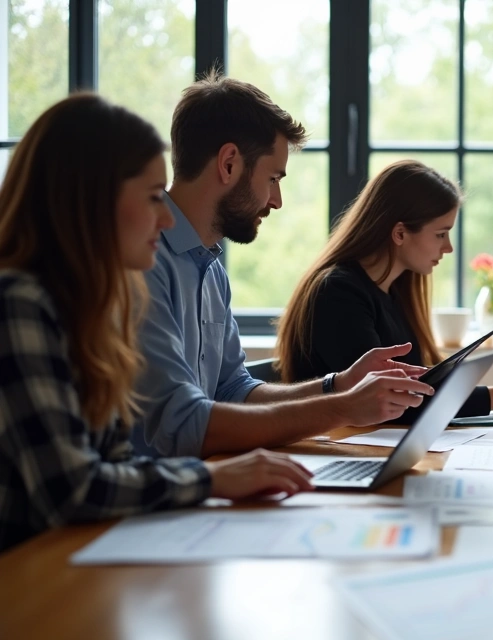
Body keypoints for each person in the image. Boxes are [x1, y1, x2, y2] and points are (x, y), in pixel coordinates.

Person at [0, 95, 314, 553]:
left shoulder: (92, 308)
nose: (166, 217)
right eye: (152, 197)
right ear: (93, 201)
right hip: (30, 572)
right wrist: (211, 478)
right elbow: (71, 491)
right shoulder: (20, 304)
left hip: (77, 556)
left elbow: (117, 463)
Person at [135, 72, 434, 459]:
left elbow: (233, 391)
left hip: (206, 479)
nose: (276, 200)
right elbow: (181, 425)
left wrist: (339, 385)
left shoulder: (211, 271)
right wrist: (341, 408)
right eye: (273, 178)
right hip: (155, 490)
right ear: (229, 164)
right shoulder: (142, 264)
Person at [275, 159, 493, 417]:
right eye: (441, 234)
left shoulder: (396, 291)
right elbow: (391, 398)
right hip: (341, 443)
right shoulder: (337, 294)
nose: (448, 247)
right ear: (400, 233)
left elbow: (416, 385)